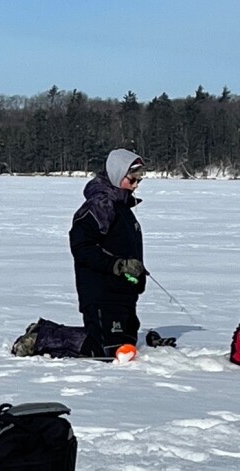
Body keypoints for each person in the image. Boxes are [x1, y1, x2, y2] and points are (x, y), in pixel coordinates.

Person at [68, 148, 173, 358]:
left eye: (139, 180)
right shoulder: (100, 205)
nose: (136, 185)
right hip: (101, 292)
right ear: (117, 175)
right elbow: (82, 246)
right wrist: (117, 265)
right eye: (132, 179)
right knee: (104, 350)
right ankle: (42, 336)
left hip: (124, 293)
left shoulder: (122, 208)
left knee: (126, 346)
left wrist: (137, 274)